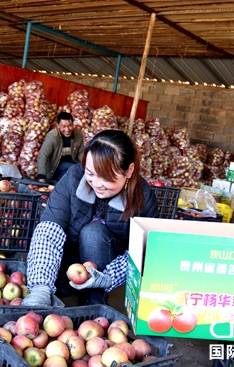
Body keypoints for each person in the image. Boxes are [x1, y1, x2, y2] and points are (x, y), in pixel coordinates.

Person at [23, 129, 160, 306]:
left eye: (106, 178)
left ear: (129, 171)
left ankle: (95, 297)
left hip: (110, 261)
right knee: (54, 283)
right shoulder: (73, 178)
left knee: (92, 232)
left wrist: (107, 278)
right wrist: (40, 288)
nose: (96, 184)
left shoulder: (143, 196)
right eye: (90, 173)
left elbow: (144, 252)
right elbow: (49, 229)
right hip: (72, 256)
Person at [37, 112, 84, 183]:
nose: (67, 129)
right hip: (56, 168)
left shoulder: (78, 134)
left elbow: (81, 152)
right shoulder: (52, 136)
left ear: (73, 124)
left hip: (72, 166)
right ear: (58, 125)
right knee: (73, 168)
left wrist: (86, 164)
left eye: (69, 125)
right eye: (63, 126)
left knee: (80, 170)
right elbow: (43, 155)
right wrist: (42, 177)